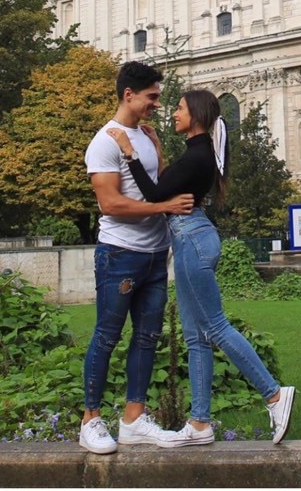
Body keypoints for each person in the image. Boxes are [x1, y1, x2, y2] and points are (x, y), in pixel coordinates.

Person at [107, 88, 296, 446]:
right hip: (191, 236)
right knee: (196, 337)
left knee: (215, 326)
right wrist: (157, 149)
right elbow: (167, 185)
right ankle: (199, 423)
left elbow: (153, 194)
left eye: (179, 108)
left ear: (195, 114)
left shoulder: (198, 155)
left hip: (192, 238)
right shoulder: (198, 152)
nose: (173, 113)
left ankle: (274, 394)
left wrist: (129, 152)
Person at [80, 61, 195, 455]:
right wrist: (164, 207)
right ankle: (90, 421)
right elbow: (110, 204)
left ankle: (133, 420)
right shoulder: (104, 142)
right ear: (128, 95)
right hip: (120, 253)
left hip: (154, 254)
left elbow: (157, 182)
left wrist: (159, 152)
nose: (157, 105)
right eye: (152, 97)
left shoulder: (145, 136)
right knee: (107, 336)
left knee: (147, 338)